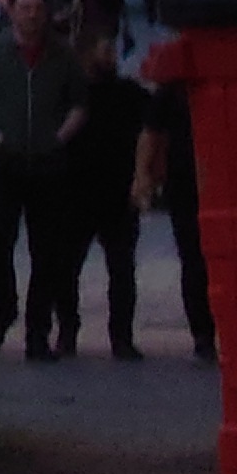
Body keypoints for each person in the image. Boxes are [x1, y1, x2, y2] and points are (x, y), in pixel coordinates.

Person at [0, 0, 88, 358]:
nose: (31, 16)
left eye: (38, 9)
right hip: (5, 164)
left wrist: (59, 137)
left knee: (47, 252)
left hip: (48, 165)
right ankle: (4, 309)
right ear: (11, 11)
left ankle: (38, 332)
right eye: (24, 8)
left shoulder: (61, 55)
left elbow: (79, 102)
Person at [69, 39, 152, 359]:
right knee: (81, 267)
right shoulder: (84, 93)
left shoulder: (122, 93)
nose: (109, 56)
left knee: (118, 268)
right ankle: (77, 330)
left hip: (111, 191)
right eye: (102, 50)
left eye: (110, 50)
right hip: (85, 190)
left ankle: (118, 335)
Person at [134, 61, 217, 364]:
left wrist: (143, 175)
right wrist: (143, 175)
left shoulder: (173, 88)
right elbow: (151, 132)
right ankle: (203, 332)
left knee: (194, 259)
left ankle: (205, 333)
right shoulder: (174, 89)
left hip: (192, 182)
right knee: (194, 259)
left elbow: (150, 134)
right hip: (186, 184)